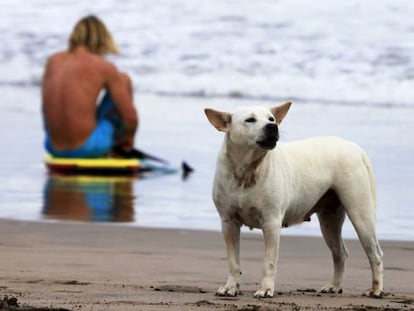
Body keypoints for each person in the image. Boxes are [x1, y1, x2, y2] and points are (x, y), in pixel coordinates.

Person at [42, 15, 138, 158]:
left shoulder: (52, 61)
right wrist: (129, 137)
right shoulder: (104, 67)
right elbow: (131, 118)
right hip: (88, 148)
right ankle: (120, 146)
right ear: (102, 38)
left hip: (52, 147)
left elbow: (45, 109)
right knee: (124, 80)